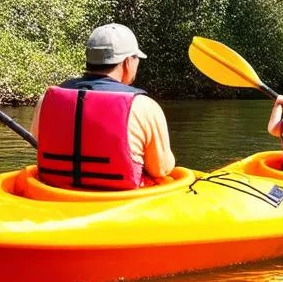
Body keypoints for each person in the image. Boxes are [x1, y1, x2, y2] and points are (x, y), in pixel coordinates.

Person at [31, 23, 176, 190]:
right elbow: (161, 169)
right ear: (128, 62)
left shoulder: (46, 100)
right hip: (121, 203)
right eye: (136, 59)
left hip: (53, 196)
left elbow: (38, 141)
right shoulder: (144, 106)